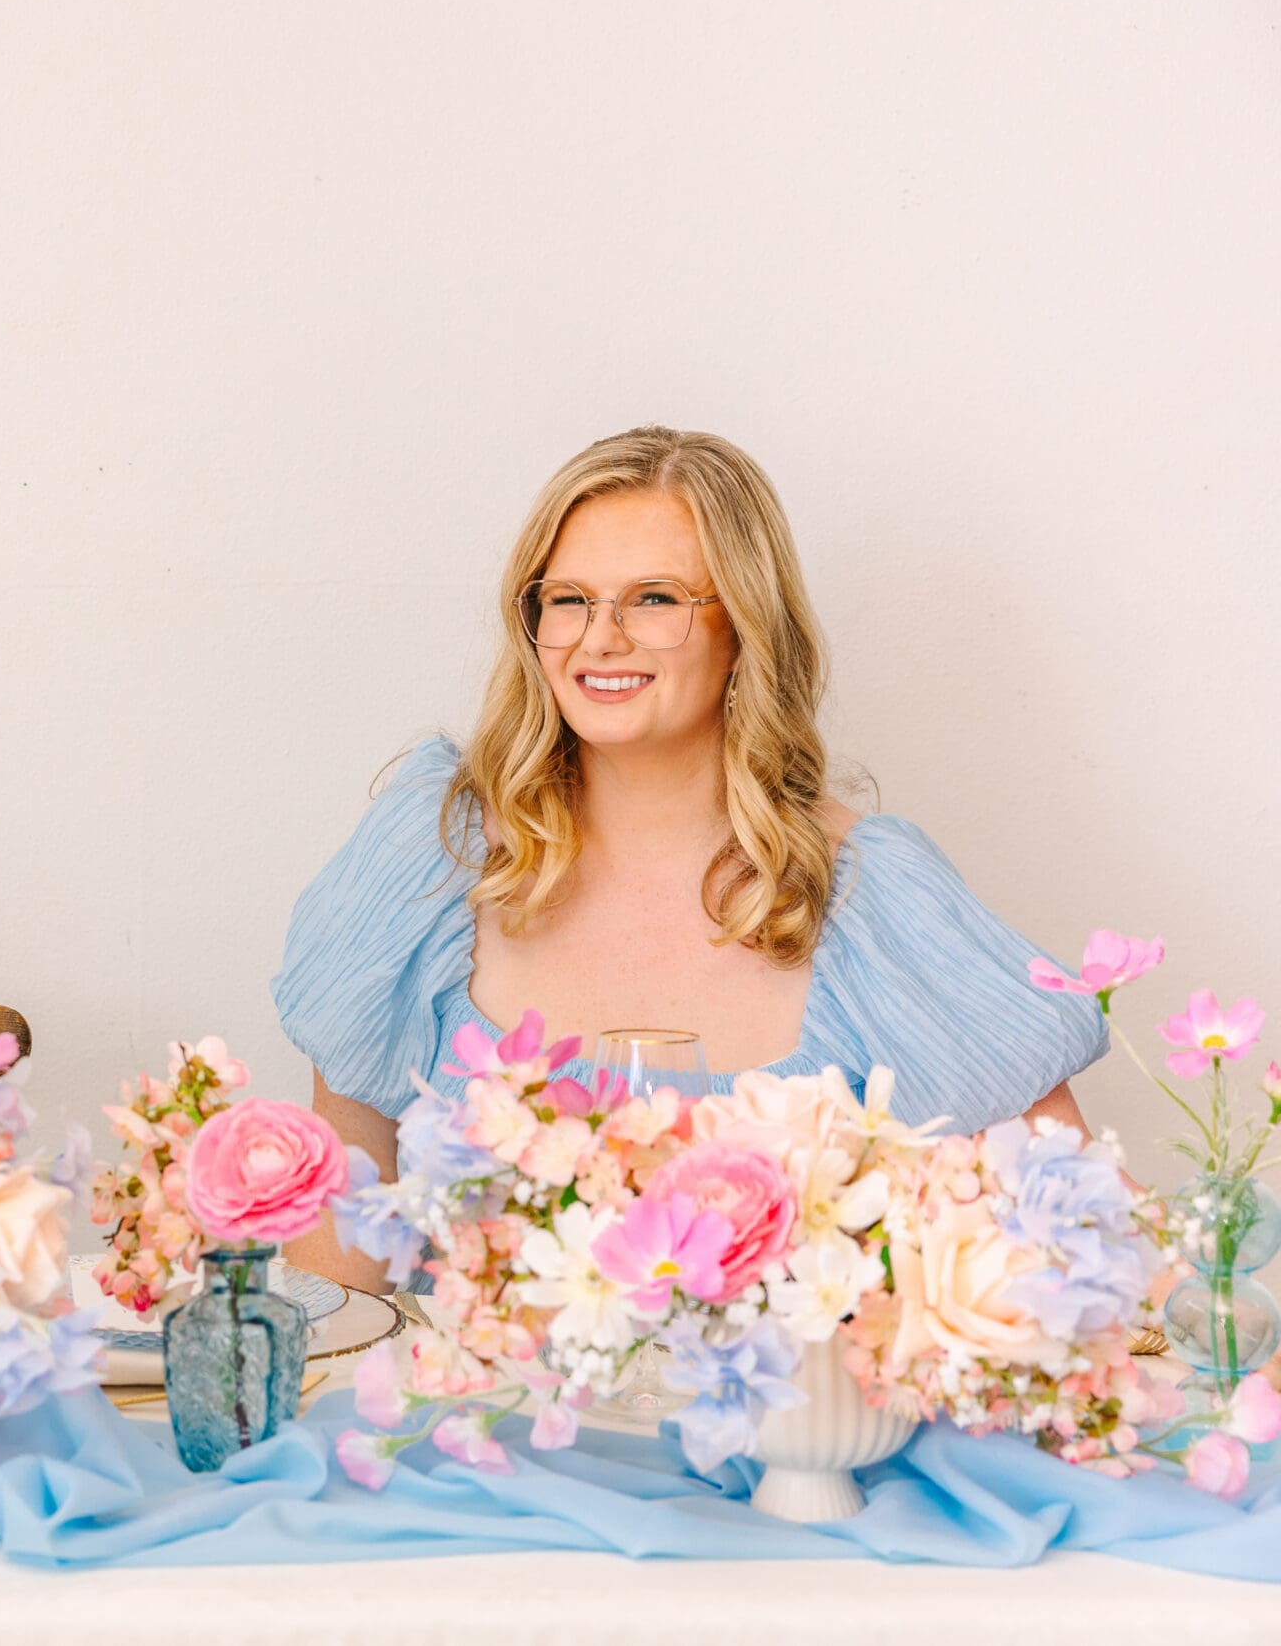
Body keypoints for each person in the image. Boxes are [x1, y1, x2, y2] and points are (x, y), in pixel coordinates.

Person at [275, 425, 1103, 1291]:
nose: (600, 638)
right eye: (568, 599)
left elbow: (1091, 1239)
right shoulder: (432, 857)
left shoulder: (871, 895)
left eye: (654, 599)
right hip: (474, 1385)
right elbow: (336, 1273)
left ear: (744, 627)